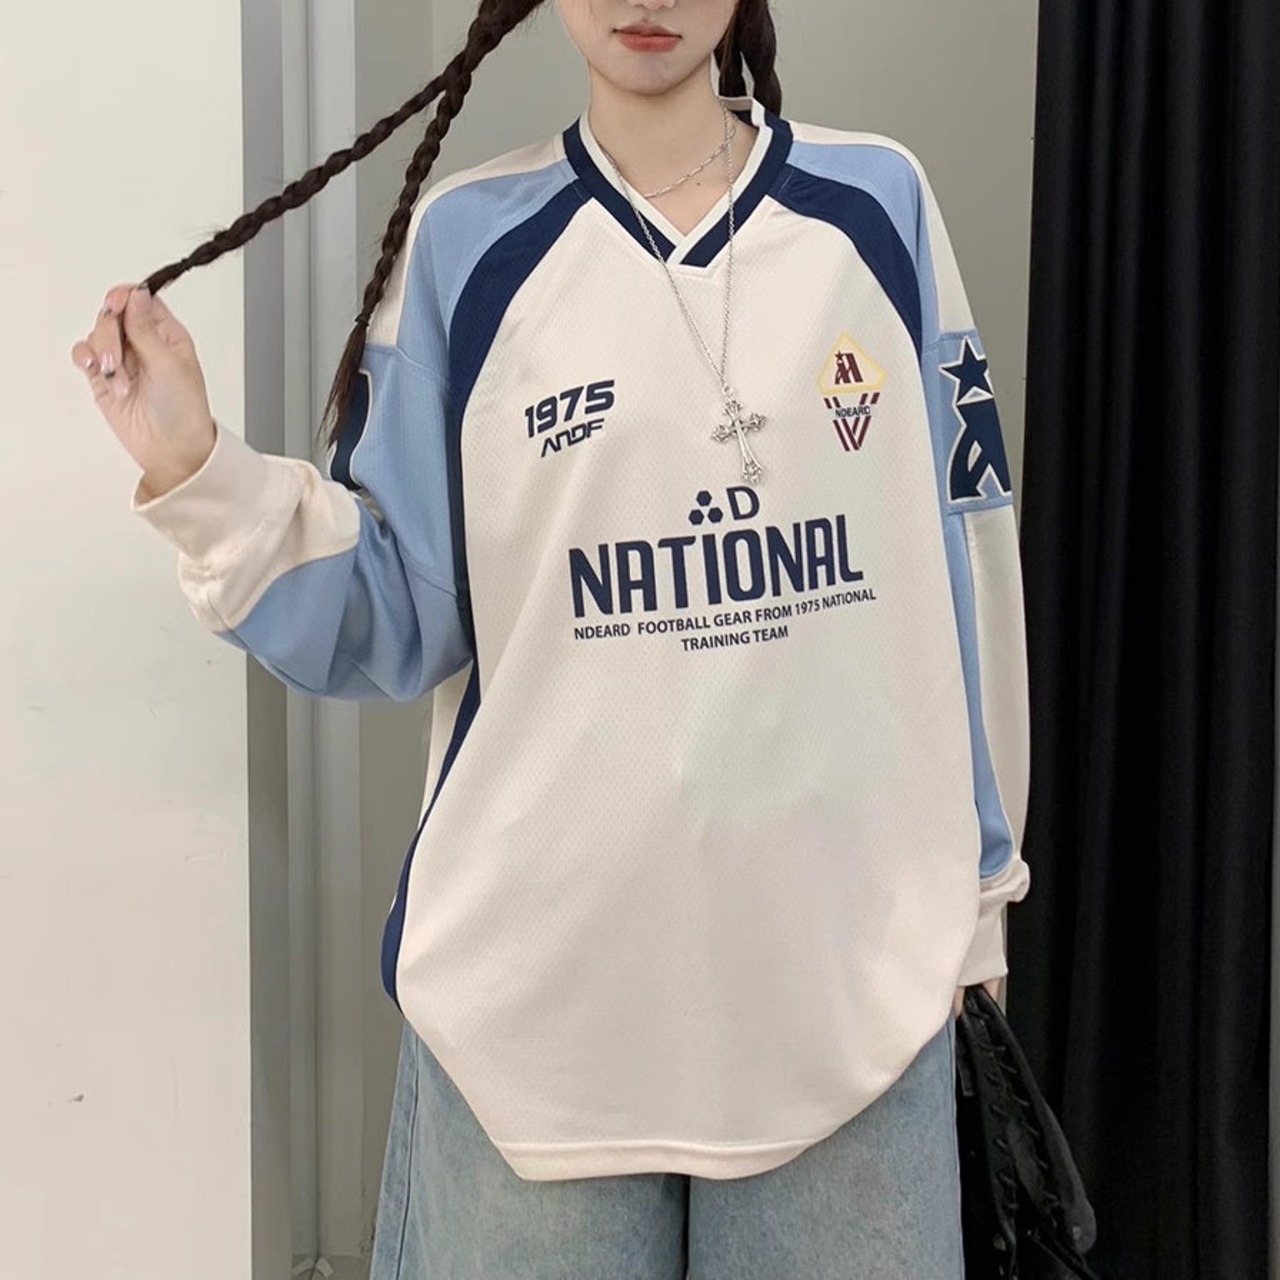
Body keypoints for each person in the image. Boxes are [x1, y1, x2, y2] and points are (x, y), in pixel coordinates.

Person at [70, 0, 1031, 1275]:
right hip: (538, 1021)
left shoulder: (875, 208)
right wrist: (197, 467)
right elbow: (398, 610)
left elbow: (967, 559)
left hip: (845, 994)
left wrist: (978, 898)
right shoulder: (469, 241)